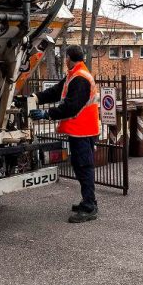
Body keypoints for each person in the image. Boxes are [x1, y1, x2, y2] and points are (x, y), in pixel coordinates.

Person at [29, 45, 100, 223]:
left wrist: (47, 114)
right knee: (79, 165)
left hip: (84, 130)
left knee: (84, 166)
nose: (64, 60)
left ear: (69, 58)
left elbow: (71, 107)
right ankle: (88, 201)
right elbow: (56, 92)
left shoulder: (81, 78)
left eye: (65, 57)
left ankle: (89, 206)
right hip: (79, 130)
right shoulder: (74, 75)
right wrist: (36, 97)